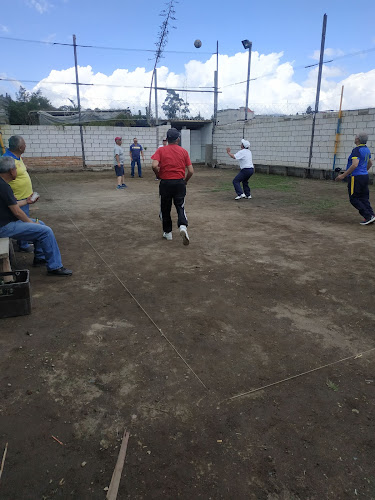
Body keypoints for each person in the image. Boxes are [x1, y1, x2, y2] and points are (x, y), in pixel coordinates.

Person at [0, 156, 72, 276]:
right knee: (46, 231)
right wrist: (31, 222)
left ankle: (40, 257)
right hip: (4, 227)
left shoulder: (2, 184)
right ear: (11, 171)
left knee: (41, 224)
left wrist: (27, 201)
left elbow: (12, 204)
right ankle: (55, 267)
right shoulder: (4, 187)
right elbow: (17, 212)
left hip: (6, 223)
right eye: (16, 169)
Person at [151, 128, 194, 245]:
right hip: (179, 183)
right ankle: (183, 227)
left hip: (165, 183)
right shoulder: (184, 152)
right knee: (180, 206)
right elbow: (191, 171)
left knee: (165, 208)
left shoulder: (161, 150)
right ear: (178, 139)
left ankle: (168, 233)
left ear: (167, 139)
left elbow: (154, 165)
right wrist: (185, 181)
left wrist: (158, 175)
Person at [3, 135, 37, 252]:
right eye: (24, 144)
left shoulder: (18, 157)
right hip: (17, 196)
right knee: (22, 219)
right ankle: (24, 246)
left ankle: (25, 241)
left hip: (25, 196)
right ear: (20, 147)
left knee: (25, 218)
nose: (26, 146)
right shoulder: (7, 160)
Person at [335, 133, 375, 225]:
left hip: (356, 177)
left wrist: (343, 175)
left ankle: (368, 216)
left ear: (358, 139)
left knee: (354, 199)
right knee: (364, 198)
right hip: (364, 176)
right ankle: (372, 215)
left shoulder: (357, 150)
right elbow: (370, 163)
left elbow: (354, 164)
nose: (355, 138)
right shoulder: (366, 149)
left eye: (356, 136)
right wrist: (363, 172)